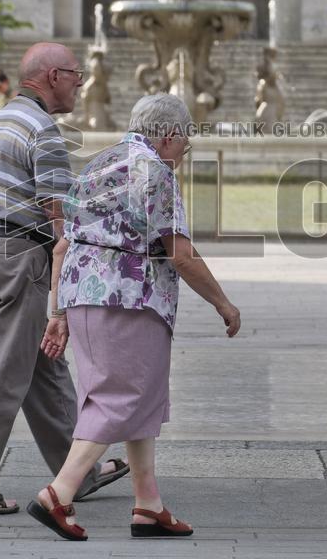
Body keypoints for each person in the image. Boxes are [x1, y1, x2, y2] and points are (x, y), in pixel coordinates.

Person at [26, 93, 242, 541]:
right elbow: (179, 254)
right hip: (131, 299)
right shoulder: (156, 172)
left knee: (137, 397)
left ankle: (148, 505)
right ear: (168, 137)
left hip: (85, 297)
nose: (184, 151)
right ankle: (58, 494)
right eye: (185, 142)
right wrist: (223, 303)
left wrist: (59, 311)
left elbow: (64, 245)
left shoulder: (100, 163)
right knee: (118, 400)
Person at [0, 42, 130, 515]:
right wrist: (71, 288)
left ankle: (76, 473)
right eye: (75, 74)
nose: (81, 83)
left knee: (43, 371)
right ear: (49, 77)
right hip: (20, 255)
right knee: (2, 375)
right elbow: (57, 216)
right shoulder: (43, 131)